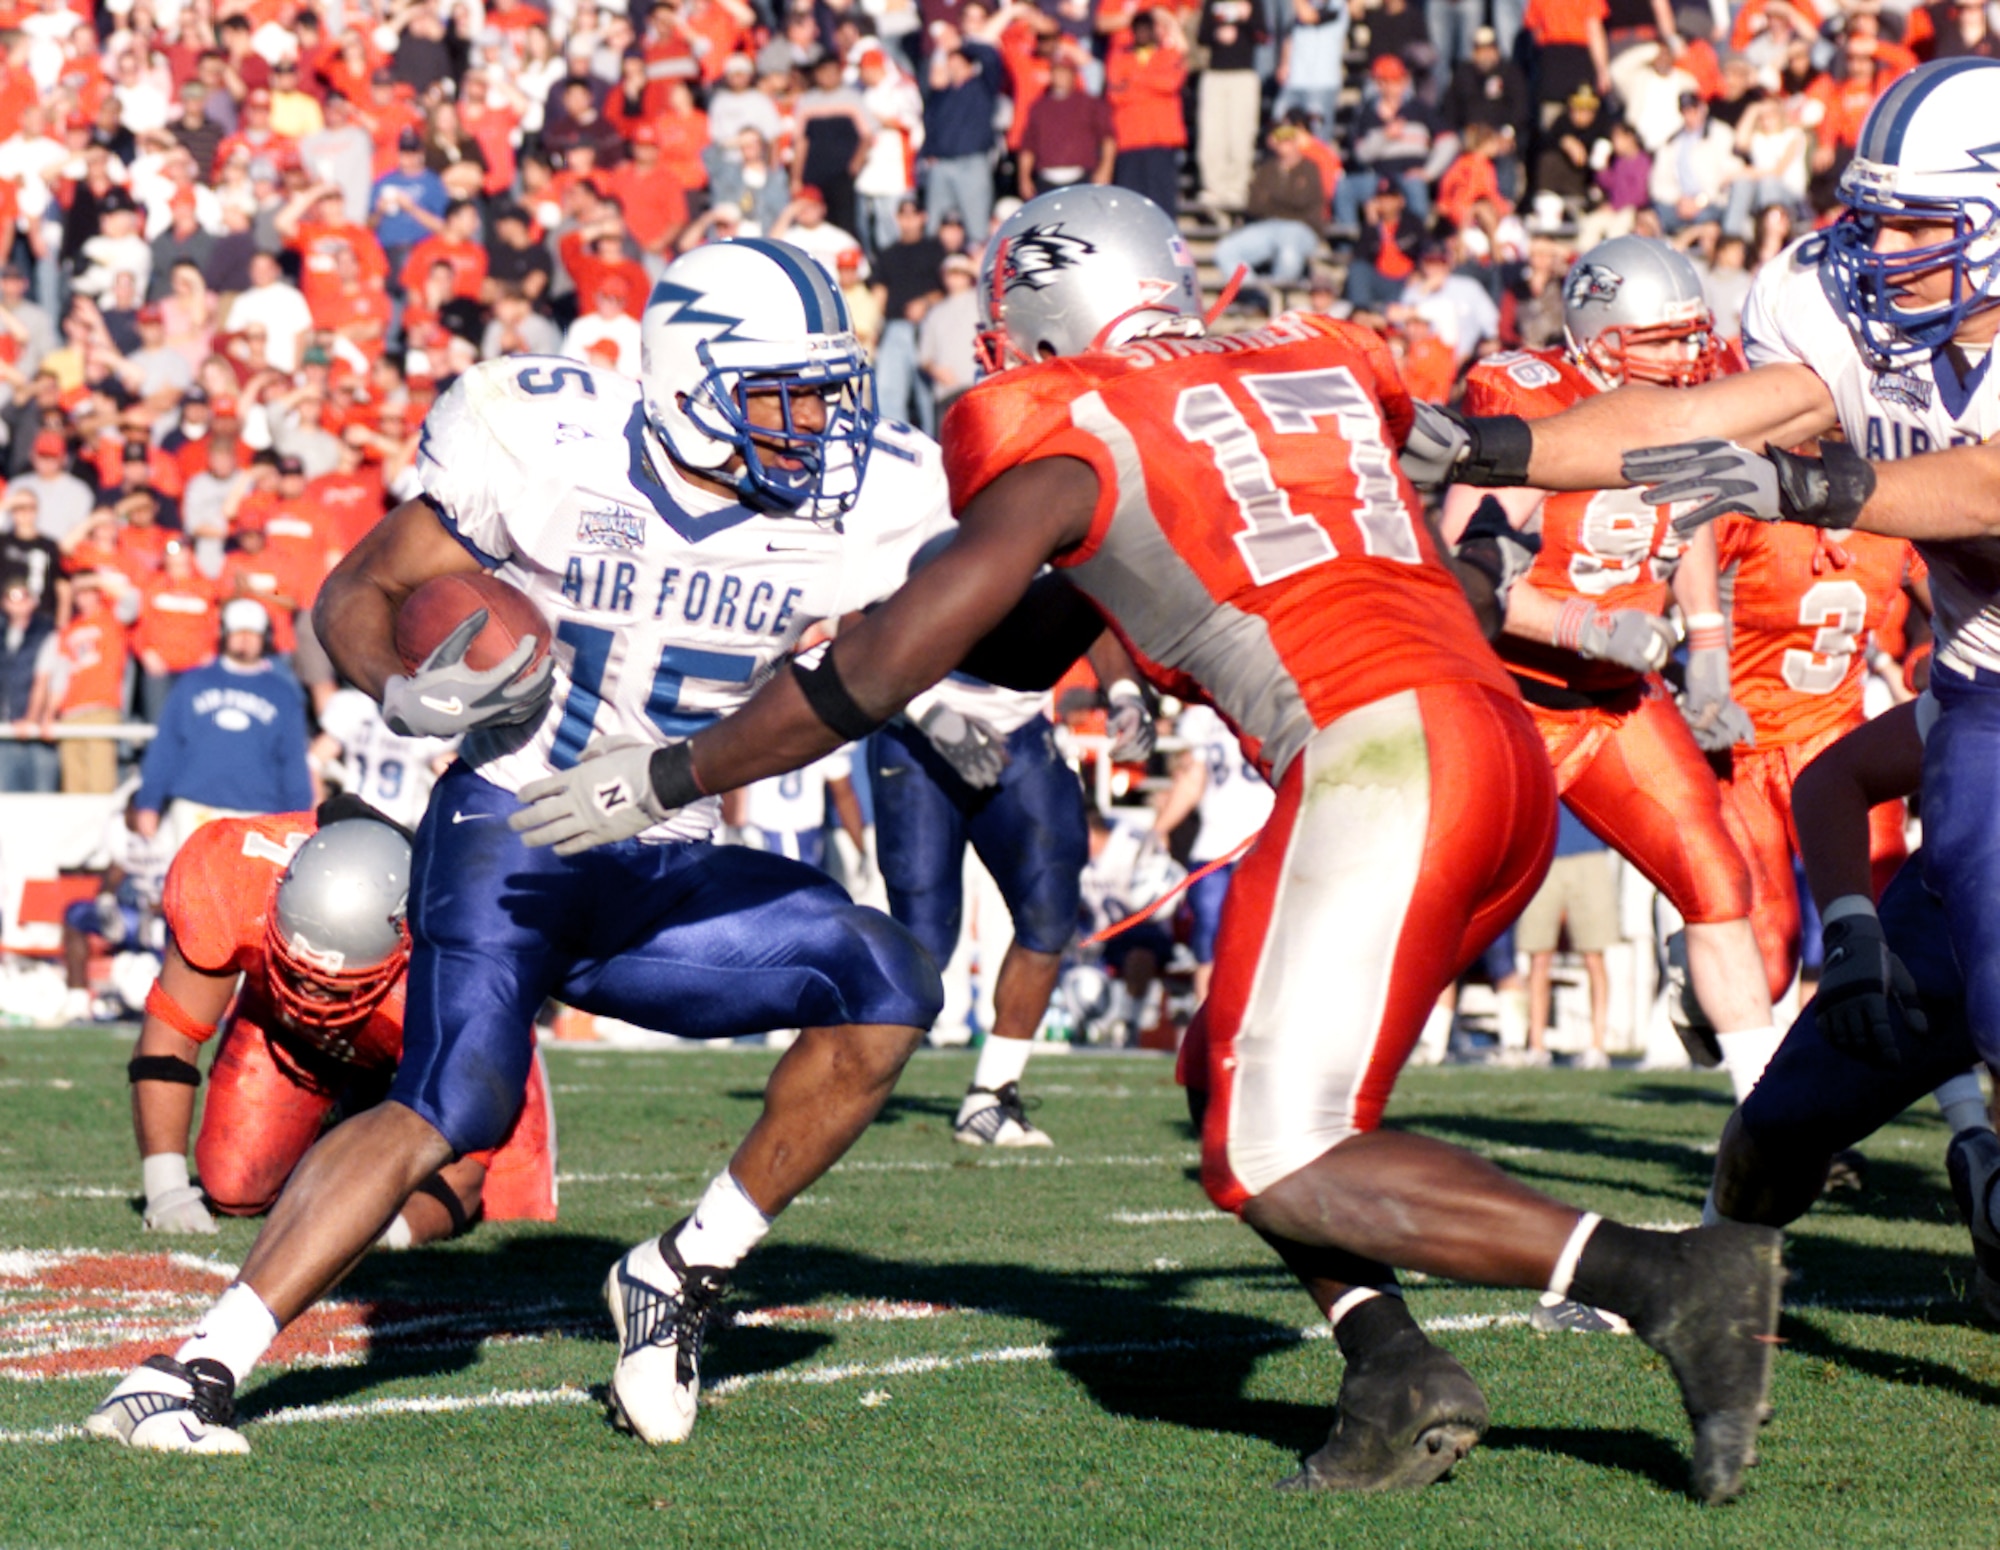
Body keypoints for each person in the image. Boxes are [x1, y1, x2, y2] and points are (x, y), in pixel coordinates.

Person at [513, 186, 1784, 1503]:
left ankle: (1666, 1277)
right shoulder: (1321, 361)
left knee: (1278, 1147)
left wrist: (675, 768)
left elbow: (896, 657)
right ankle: (1392, 1366)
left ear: (1036, 313)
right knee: (1216, 1067)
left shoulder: (1062, 424)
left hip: (1378, 756)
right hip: (1494, 743)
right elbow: (1154, 585)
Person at [86, 239, 950, 1456]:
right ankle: (191, 1367)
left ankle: (680, 1269)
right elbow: (358, 587)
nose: (815, 426)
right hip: (516, 829)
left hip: (665, 851)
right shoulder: (554, 447)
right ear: (692, 381)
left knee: (888, 980)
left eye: (822, 392)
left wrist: (957, 686)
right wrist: (394, 685)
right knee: (455, 1102)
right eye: (783, 394)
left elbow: (973, 601)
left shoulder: (859, 502)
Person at [1404, 58, 2000, 1126]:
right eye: (1877, 221)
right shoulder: (1835, 312)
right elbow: (1680, 435)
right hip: (1959, 695)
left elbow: (1988, 484)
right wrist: (1495, 448)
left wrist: (1809, 493)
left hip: (1727, 702)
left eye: (1917, 224)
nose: (1882, 251)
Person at [1438, 236, 1783, 1107]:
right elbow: (1460, 572)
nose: (1685, 357)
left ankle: (1768, 1116)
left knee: (1715, 878)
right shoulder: (1530, 402)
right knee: (1430, 917)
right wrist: (1583, 623)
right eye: (1661, 340)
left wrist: (1707, 650)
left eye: (1690, 336)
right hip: (1510, 701)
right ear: (1599, 335)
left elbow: (1695, 512)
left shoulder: (1686, 404)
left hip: (1618, 704)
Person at [108, 806, 555, 1255]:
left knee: (513, 1213)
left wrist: (386, 1232)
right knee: (234, 1183)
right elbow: (170, 1038)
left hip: (413, 1022)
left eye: (330, 985)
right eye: (297, 972)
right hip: (287, 1031)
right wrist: (165, 1187)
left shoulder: (456, 965)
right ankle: (348, 1114)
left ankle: (393, 1097)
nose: (311, 996)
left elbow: (461, 1182)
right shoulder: (233, 875)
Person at [1704, 698, 2000, 1318]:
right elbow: (1836, 777)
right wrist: (1849, 930)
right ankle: (1705, 1276)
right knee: (1779, 1133)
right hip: (1953, 917)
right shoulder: (1982, 689)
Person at [132, 598, 314, 853]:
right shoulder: (193, 683)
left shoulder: (282, 694)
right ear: (224, 634)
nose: (244, 640)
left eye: (252, 634)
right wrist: (149, 802)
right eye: (238, 632)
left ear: (265, 638)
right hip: (195, 806)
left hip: (259, 813)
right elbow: (166, 747)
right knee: (191, 887)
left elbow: (293, 759)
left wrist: (299, 816)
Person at [1150, 698, 1273, 1005]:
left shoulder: (1278, 699)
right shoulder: (1203, 715)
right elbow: (1192, 782)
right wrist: (1158, 829)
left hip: (1267, 842)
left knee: (1265, 941)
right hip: (1214, 845)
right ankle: (1208, 1031)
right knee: (1208, 942)